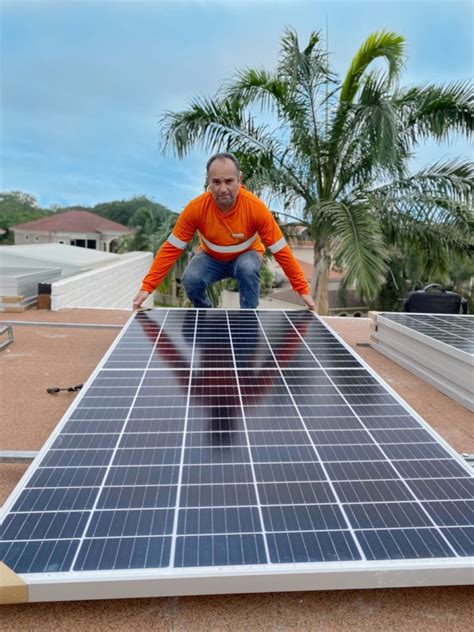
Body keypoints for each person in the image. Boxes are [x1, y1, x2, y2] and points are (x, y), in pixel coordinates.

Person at [133, 152, 316, 310]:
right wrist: (147, 287)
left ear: (239, 180)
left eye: (229, 181)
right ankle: (205, 314)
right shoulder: (196, 209)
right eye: (216, 182)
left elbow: (281, 250)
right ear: (208, 182)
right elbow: (171, 249)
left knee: (248, 268)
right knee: (191, 279)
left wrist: (302, 289)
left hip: (246, 256)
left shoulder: (255, 208)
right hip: (210, 258)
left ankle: (248, 319)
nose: (223, 189)